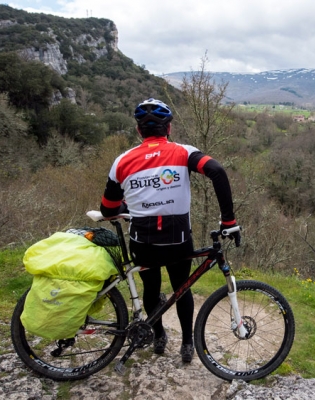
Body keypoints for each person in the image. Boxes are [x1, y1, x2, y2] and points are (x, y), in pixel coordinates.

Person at [100, 98, 240, 363]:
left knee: (151, 290)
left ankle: (159, 336)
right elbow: (218, 172)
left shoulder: (122, 161)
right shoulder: (184, 152)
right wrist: (229, 221)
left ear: (139, 130)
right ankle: (188, 343)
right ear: (169, 129)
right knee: (181, 289)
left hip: (143, 243)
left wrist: (128, 202)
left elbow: (107, 210)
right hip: (178, 242)